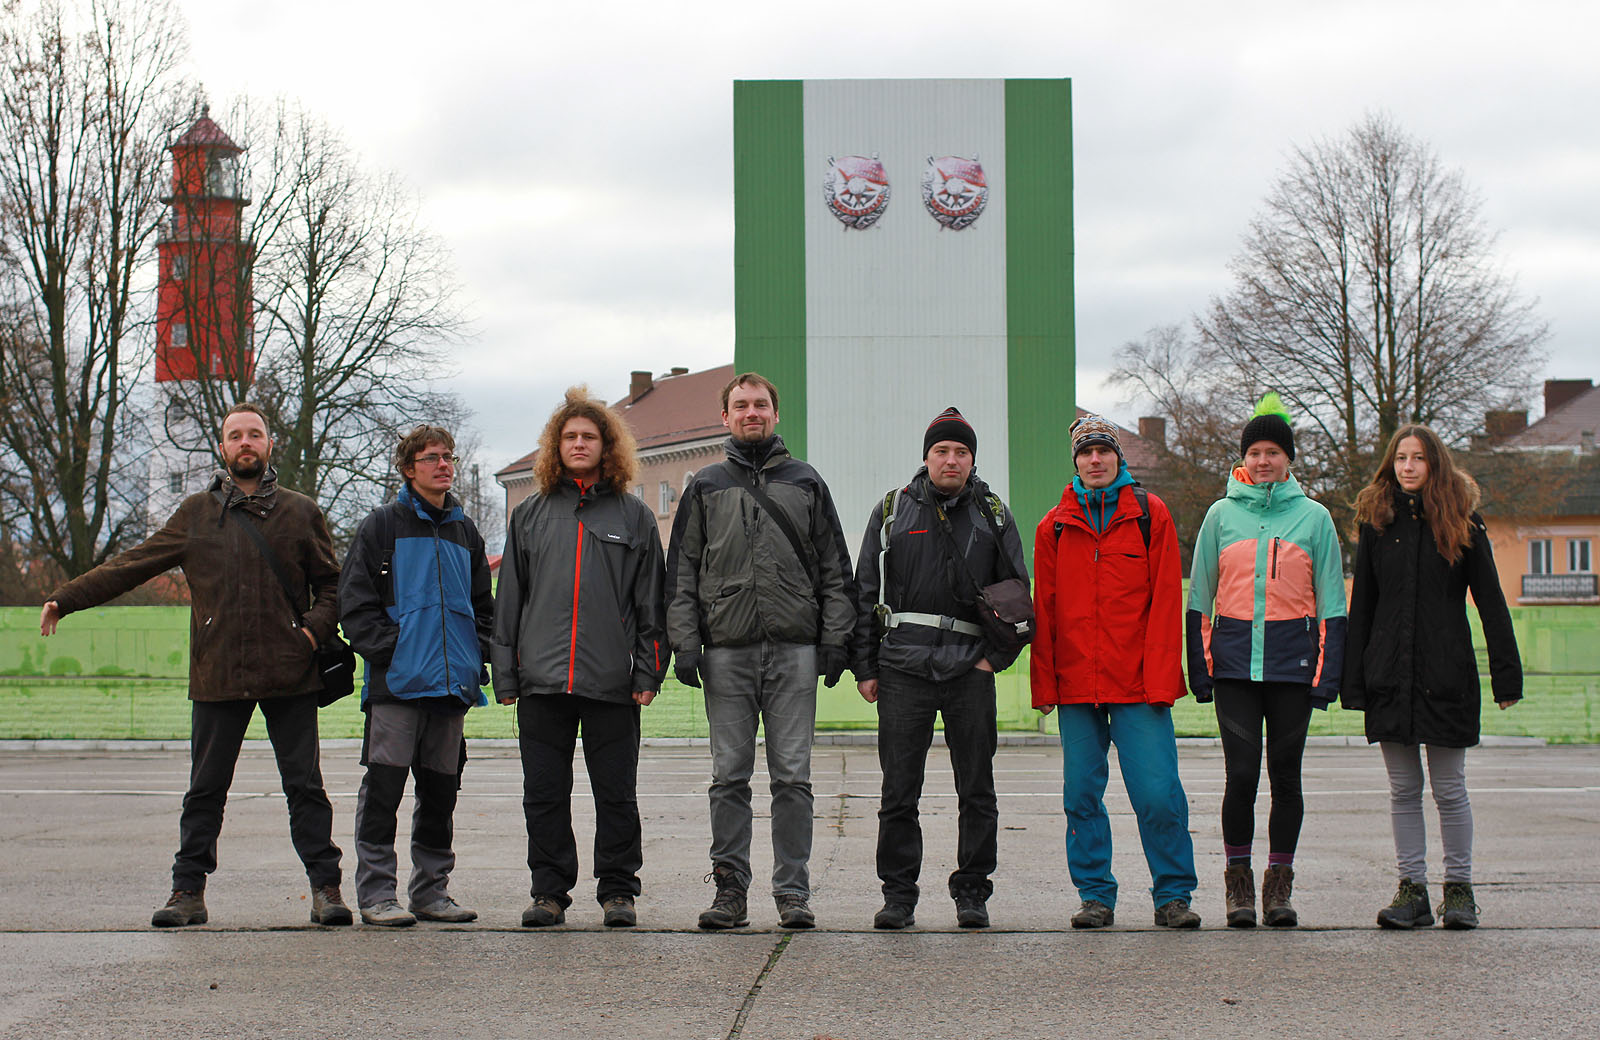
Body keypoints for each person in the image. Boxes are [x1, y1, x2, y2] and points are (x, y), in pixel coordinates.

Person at [40, 403, 350, 927]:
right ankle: (187, 893)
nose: (245, 443)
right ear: (222, 447)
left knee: (305, 786)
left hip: (289, 670)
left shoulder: (301, 512)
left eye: (255, 434)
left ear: (269, 445)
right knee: (205, 788)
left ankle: (327, 890)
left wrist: (310, 633)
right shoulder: (195, 515)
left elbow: (332, 584)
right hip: (218, 672)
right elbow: (132, 564)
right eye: (236, 436)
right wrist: (65, 599)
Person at [666, 372, 856, 930]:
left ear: (776, 414)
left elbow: (834, 569)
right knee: (729, 776)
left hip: (795, 649)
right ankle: (730, 892)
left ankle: (792, 893)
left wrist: (835, 641)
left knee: (792, 777)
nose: (752, 412)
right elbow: (682, 571)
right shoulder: (704, 484)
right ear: (724, 417)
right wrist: (685, 643)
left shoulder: (806, 481)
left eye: (761, 404)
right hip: (726, 651)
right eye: (741, 405)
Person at [492, 387, 667, 928]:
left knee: (617, 794)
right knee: (543, 794)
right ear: (555, 446)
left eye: (589, 436)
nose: (579, 443)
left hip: (612, 683)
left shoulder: (635, 516)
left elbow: (650, 603)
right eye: (569, 436)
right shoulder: (531, 515)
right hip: (541, 682)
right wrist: (505, 673)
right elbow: (510, 601)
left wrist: (649, 670)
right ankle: (549, 891)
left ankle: (618, 891)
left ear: (606, 446)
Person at [850, 407, 1028, 930]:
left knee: (977, 788)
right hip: (903, 668)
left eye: (961, 452)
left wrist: (994, 660)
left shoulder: (993, 513)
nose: (951, 460)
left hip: (969, 670)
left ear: (973, 460)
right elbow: (864, 591)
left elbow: (1018, 593)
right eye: (942, 451)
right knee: (898, 791)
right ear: (926, 457)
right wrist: (865, 664)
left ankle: (972, 892)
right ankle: (898, 896)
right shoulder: (891, 511)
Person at [1343, 424, 1521, 930]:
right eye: (1400, 458)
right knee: (1403, 788)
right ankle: (1412, 890)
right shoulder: (1376, 526)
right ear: (1390, 464)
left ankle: (1459, 890)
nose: (1407, 467)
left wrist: (1507, 678)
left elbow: (1491, 603)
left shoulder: (1464, 524)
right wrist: (1353, 682)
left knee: (1449, 789)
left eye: (1418, 458)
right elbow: (1364, 608)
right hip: (1389, 678)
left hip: (1446, 676)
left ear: (1434, 464)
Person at [1032, 414, 1200, 930]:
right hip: (1078, 687)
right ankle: (1095, 896)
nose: (1095, 460)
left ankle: (1172, 896)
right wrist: (1046, 687)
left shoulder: (1151, 515)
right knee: (1081, 796)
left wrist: (1162, 681)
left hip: (1138, 688)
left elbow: (1167, 599)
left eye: (1104, 451)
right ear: (1076, 462)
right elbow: (1046, 613)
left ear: (1118, 458)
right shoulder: (1053, 526)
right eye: (1086, 453)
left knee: (1157, 795)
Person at [1186, 393, 1346, 928]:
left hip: (1291, 671)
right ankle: (1238, 889)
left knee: (1287, 778)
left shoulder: (1315, 518)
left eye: (1273, 451)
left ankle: (1278, 888)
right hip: (1233, 669)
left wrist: (1327, 676)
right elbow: (1199, 597)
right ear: (1243, 458)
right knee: (1241, 777)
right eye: (1254, 451)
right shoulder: (1220, 515)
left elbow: (1332, 603)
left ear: (1289, 458)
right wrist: (1199, 667)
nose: (1263, 461)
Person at [339, 425, 493, 927]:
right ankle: (377, 894)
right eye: (431, 458)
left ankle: (431, 892)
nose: (443, 465)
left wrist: (477, 656)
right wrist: (396, 652)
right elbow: (356, 607)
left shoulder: (466, 533)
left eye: (448, 457)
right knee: (384, 790)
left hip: (451, 690)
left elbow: (483, 608)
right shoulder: (381, 527)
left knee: (441, 793)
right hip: (397, 688)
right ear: (409, 468)